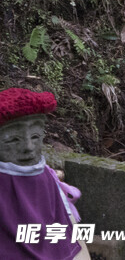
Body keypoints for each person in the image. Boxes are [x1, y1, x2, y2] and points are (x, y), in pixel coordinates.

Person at [0, 88, 89, 260]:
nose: (28, 146)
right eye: (13, 139)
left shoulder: (45, 177)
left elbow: (67, 227)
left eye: (35, 136)